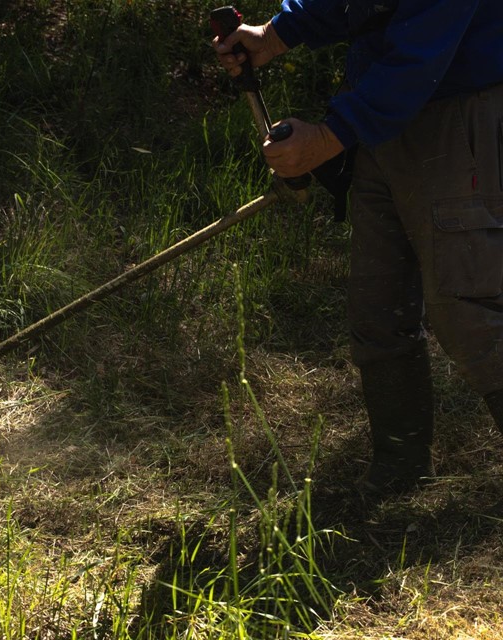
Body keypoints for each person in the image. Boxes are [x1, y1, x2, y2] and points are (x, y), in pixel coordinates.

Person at [214, 0, 503, 495]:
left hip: (458, 109)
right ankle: (400, 468)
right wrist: (277, 33)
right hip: (383, 121)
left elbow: (421, 52)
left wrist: (331, 135)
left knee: (470, 306)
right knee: (377, 304)